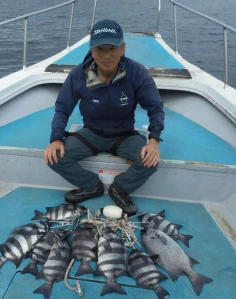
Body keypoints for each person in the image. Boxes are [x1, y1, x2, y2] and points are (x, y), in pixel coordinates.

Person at [44, 19, 164, 216]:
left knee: (150, 161)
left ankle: (119, 188)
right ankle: (92, 185)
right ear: (92, 50)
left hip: (124, 135)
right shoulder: (78, 75)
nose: (107, 55)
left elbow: (156, 108)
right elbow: (62, 108)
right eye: (100, 49)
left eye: (112, 48)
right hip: (91, 133)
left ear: (122, 48)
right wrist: (56, 138)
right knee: (53, 157)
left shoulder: (137, 73)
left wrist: (153, 141)